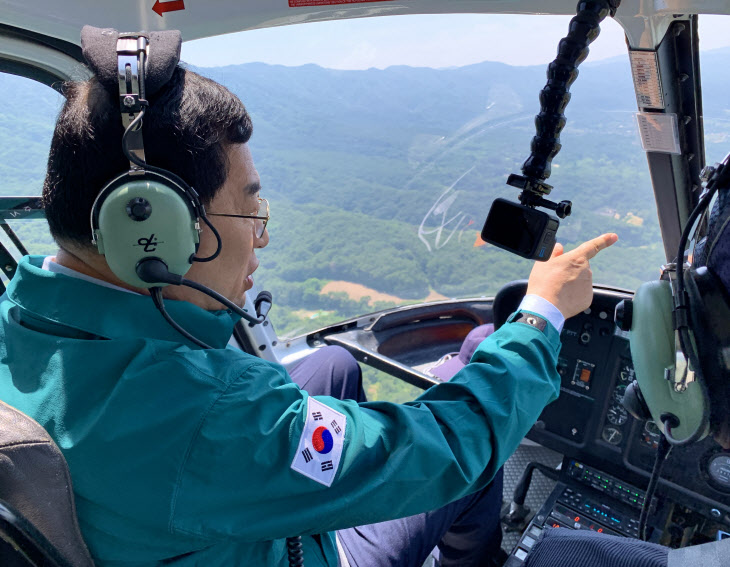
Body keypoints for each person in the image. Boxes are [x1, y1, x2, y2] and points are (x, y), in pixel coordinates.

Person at [0, 29, 617, 567]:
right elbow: (451, 446)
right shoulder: (214, 415)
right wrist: (541, 315)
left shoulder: (19, 318)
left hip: (170, 512)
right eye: (249, 206)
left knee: (337, 365)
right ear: (152, 228)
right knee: (472, 436)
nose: (260, 235)